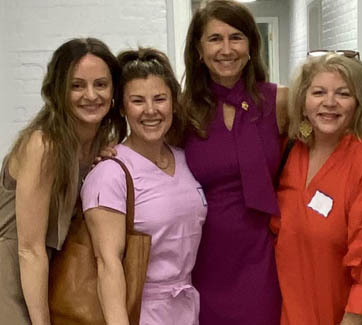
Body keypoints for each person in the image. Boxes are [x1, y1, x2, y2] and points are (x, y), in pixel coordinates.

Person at [271, 52, 362, 325]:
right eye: (318, 92)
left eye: (343, 94)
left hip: (349, 318)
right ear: (303, 99)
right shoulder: (290, 150)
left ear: (358, 103)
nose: (329, 103)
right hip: (294, 312)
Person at [0, 37, 126, 324]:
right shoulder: (44, 145)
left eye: (101, 84)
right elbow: (29, 249)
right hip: (12, 275)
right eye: (76, 85)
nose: (91, 95)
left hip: (54, 274)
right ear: (58, 90)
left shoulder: (99, 144)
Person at [182, 0, 288, 324]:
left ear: (251, 45)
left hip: (264, 255)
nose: (226, 49)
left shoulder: (280, 101)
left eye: (236, 37)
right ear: (199, 50)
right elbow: (152, 159)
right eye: (215, 38)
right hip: (205, 257)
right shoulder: (182, 111)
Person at [81, 47, 207, 325]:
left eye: (160, 99)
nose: (151, 111)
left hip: (186, 308)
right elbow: (107, 264)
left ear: (173, 102)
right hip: (140, 310)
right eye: (138, 101)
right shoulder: (110, 173)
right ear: (123, 108)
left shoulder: (186, 159)